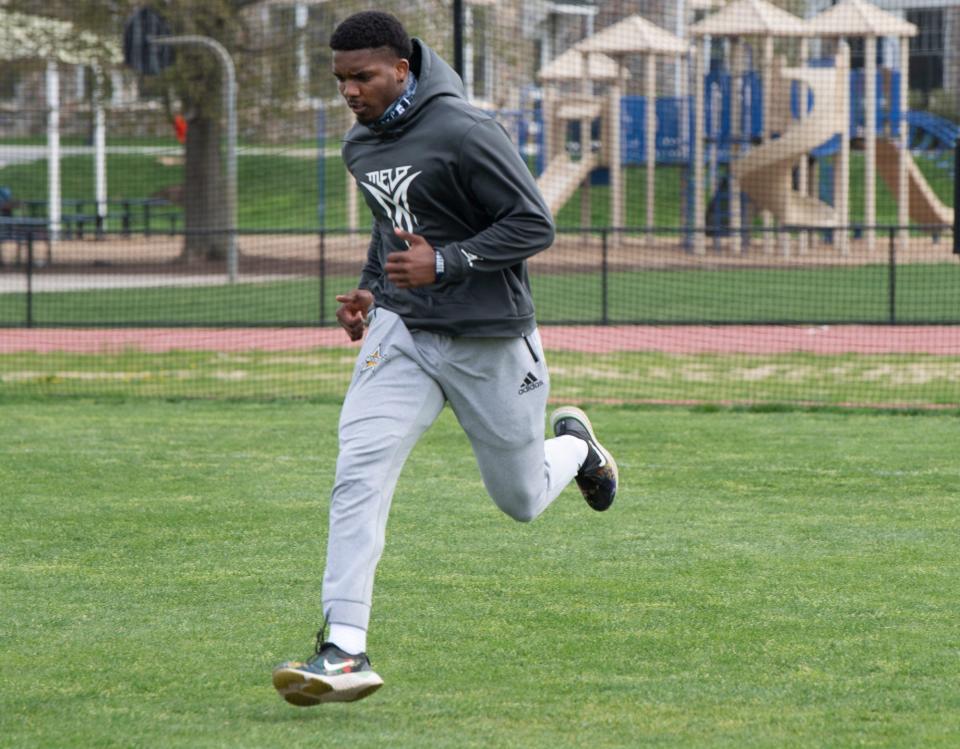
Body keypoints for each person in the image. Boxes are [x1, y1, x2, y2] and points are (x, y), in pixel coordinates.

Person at [272, 10, 618, 706]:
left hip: (489, 336)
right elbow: (388, 228)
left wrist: (451, 260)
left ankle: (576, 449)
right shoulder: (359, 145)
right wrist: (372, 292)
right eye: (340, 79)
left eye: (362, 77)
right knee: (357, 471)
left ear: (401, 70)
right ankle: (344, 646)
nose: (349, 92)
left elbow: (533, 223)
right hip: (402, 333)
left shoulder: (465, 129)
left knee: (520, 499)